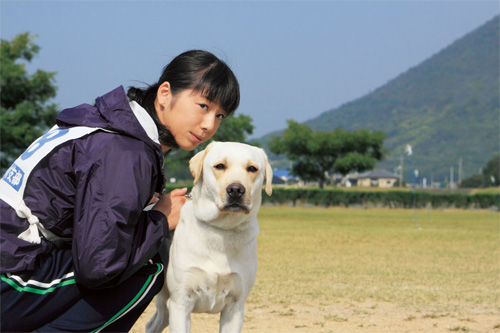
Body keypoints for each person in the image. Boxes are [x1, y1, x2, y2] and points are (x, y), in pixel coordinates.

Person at [0, 50, 240, 332]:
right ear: (165, 94)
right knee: (147, 270)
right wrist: (160, 220)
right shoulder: (126, 150)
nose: (209, 124)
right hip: (11, 279)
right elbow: (98, 266)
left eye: (220, 115)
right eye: (203, 105)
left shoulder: (110, 127)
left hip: (15, 264)